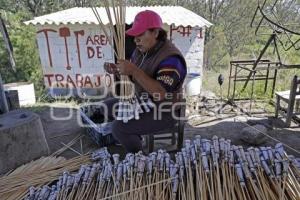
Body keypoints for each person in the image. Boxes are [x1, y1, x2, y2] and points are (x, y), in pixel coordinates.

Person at [103, 10, 187, 153]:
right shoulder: (141, 51)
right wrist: (118, 70)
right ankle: (132, 137)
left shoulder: (171, 59)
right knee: (106, 107)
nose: (136, 40)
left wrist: (134, 70)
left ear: (155, 32)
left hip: (164, 110)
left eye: (141, 34)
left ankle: (139, 159)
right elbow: (134, 76)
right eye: (135, 35)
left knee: (119, 128)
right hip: (142, 101)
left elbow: (159, 93)